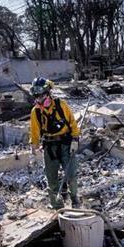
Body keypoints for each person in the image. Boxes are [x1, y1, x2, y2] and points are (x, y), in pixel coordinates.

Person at [28, 78, 80, 209]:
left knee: (72, 175)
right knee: (51, 179)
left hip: (66, 144)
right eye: (37, 96)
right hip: (50, 147)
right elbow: (34, 132)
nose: (39, 99)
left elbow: (72, 123)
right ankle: (58, 206)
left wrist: (75, 140)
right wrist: (32, 151)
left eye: (41, 95)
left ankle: (74, 199)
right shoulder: (36, 111)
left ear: (47, 93)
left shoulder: (60, 105)